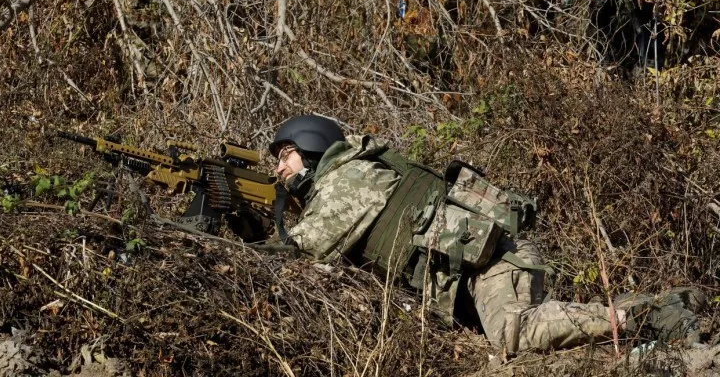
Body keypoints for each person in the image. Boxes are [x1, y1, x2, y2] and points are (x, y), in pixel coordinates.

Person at [269, 114, 704, 353]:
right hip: (479, 271)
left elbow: (306, 247)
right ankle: (640, 308)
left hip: (496, 262)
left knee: (515, 333)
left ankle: (639, 315)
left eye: (284, 156)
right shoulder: (350, 174)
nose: (278, 169)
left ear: (309, 147)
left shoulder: (346, 178)